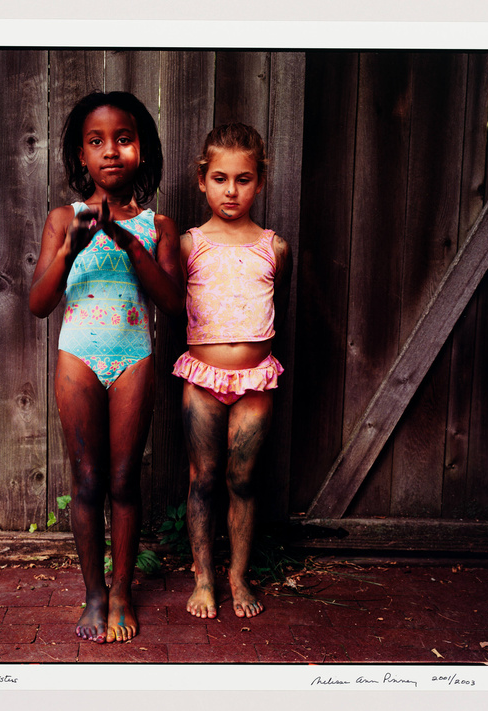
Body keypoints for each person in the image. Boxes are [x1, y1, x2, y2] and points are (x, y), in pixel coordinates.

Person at [29, 91, 183, 643]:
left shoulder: (158, 226)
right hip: (79, 357)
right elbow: (39, 302)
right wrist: (70, 250)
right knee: (88, 481)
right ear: (81, 155)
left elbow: (173, 303)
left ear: (143, 150)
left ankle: (122, 591)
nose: (111, 151)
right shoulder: (62, 220)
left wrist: (130, 245)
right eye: (96, 142)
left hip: (133, 357)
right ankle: (94, 593)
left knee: (123, 480)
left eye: (123, 139)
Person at [173, 123, 291, 619]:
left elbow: (277, 304)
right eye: (220, 178)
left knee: (242, 478)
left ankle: (238, 575)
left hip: (255, 379)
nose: (231, 191)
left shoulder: (273, 248)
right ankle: (204, 577)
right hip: (202, 379)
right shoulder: (189, 245)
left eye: (243, 179)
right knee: (203, 478)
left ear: (259, 182)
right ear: (202, 180)